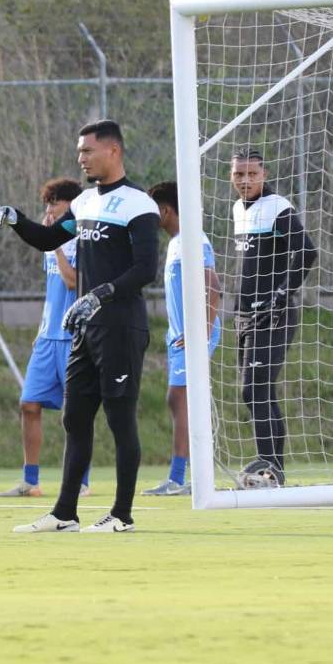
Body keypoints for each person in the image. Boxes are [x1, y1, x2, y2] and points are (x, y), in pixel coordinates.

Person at [0, 120, 159, 533]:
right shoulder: (82, 204)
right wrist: (14, 218)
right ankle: (64, 513)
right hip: (85, 330)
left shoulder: (139, 204)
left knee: (120, 419)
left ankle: (122, 515)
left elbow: (144, 269)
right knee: (75, 418)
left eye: (87, 151)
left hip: (120, 326)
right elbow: (47, 239)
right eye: (79, 151)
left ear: (113, 151)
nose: (80, 158)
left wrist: (100, 295)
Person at [0, 177, 91, 498]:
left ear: (71, 207)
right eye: (47, 204)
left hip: (73, 339)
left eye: (55, 203)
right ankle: (30, 481)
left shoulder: (82, 241)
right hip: (46, 338)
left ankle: (81, 482)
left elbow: (72, 283)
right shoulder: (50, 246)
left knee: (75, 412)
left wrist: (57, 250)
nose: (49, 210)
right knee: (29, 404)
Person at [229, 150, 316, 486]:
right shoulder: (238, 209)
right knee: (257, 391)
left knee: (255, 389)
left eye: (252, 174)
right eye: (239, 174)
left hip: (273, 314)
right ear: (231, 176)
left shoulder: (277, 206)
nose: (245, 181)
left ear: (263, 174)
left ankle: (270, 465)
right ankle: (273, 472)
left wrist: (281, 295)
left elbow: (307, 250)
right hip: (245, 315)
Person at [142, 181, 221, 496]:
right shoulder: (177, 242)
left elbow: (213, 286)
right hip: (181, 337)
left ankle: (181, 478)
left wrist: (199, 330)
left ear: (164, 210)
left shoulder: (191, 239)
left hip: (194, 336)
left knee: (179, 398)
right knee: (180, 400)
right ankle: (184, 477)